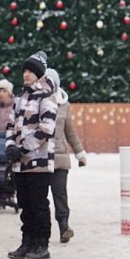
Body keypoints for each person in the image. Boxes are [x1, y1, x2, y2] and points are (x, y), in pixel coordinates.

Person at [7, 51, 58, 259]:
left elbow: (47, 129)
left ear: (39, 74)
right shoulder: (19, 98)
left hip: (38, 161)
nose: (26, 74)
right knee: (25, 204)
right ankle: (27, 241)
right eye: (24, 71)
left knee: (38, 204)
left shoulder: (46, 96)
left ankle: (41, 243)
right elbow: (10, 125)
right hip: (20, 164)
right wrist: (10, 146)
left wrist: (24, 148)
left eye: (30, 71)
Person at [45, 67, 88, 243]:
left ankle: (64, 226)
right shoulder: (35, 102)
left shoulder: (64, 105)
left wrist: (80, 153)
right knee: (40, 197)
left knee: (60, 193)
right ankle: (42, 231)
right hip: (39, 157)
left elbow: (70, 132)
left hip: (60, 157)